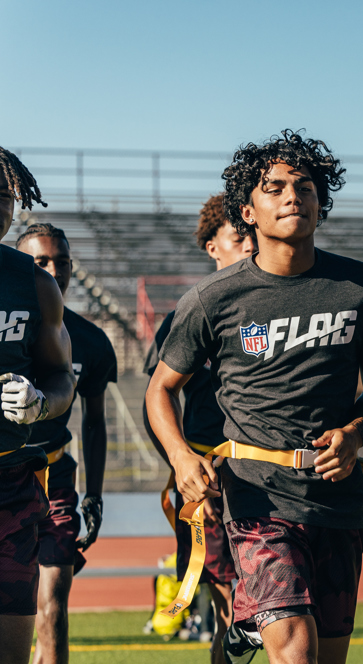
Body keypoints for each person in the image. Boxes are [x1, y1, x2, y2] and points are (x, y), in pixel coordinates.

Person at [146, 130, 363, 664]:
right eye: (275, 187)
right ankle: (251, 619)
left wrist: (356, 433)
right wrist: (180, 455)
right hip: (256, 497)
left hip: (337, 498)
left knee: (329, 655)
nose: (293, 197)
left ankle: (242, 629)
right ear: (248, 209)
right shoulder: (212, 299)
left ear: (320, 201)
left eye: (305, 186)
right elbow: (159, 390)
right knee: (295, 650)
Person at [142, 194, 254, 663]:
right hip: (210, 477)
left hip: (269, 470)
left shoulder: (282, 306)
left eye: (253, 235)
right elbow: (157, 396)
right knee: (234, 613)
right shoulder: (190, 314)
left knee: (279, 607)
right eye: (238, 237)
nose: (250, 245)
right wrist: (184, 465)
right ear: (213, 247)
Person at [16, 223, 117, 664]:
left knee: (53, 602)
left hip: (55, 476)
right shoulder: (7, 329)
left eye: (62, 262)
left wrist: (93, 495)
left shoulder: (90, 340)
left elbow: (95, 423)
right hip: (6, 471)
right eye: (40, 262)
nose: (54, 271)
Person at [0, 147, 76, 664]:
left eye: (4, 195)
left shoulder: (33, 281)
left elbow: (60, 379)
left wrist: (40, 402)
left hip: (9, 486)